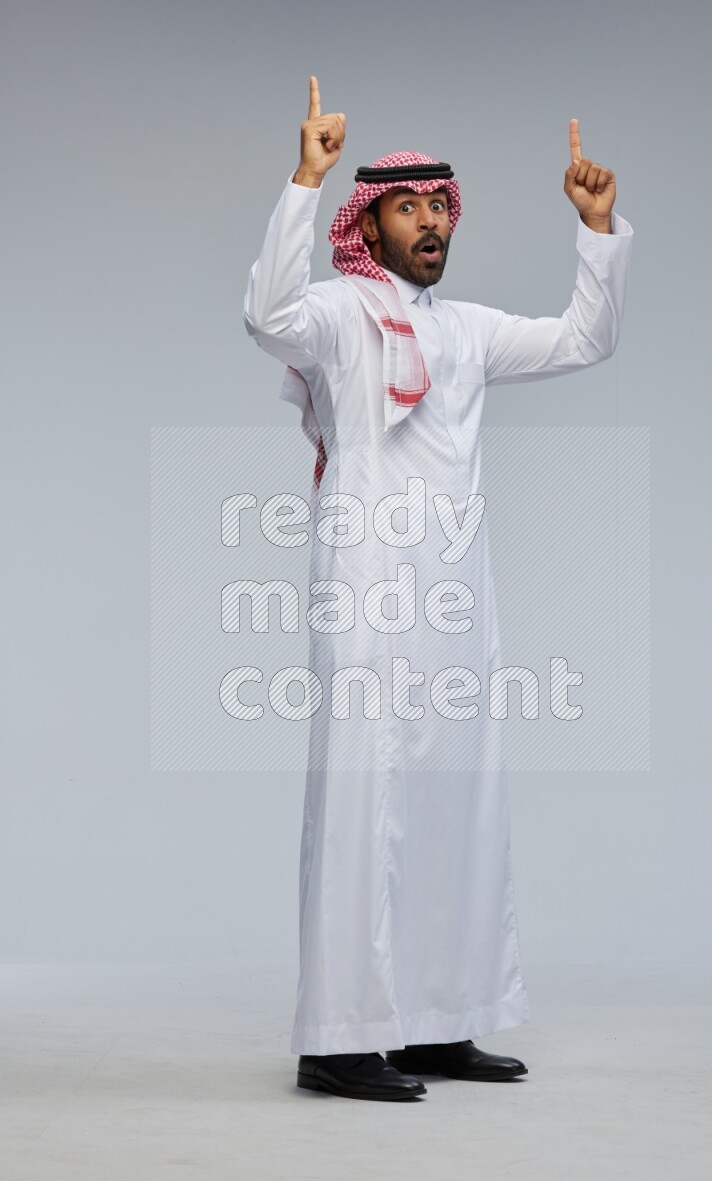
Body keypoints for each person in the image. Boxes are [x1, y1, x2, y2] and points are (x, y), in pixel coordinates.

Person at [243, 75, 634, 1102]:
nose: (428, 222)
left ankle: (435, 1020)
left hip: (455, 589)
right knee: (363, 802)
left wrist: (596, 231)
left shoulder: (463, 330)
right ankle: (337, 1034)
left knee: (456, 798)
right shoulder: (333, 314)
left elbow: (582, 339)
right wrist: (303, 176)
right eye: (407, 206)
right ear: (364, 219)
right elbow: (265, 312)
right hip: (367, 583)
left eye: (438, 207)